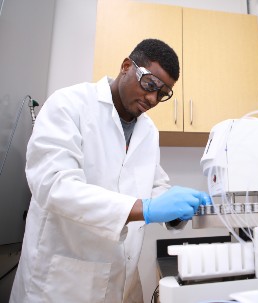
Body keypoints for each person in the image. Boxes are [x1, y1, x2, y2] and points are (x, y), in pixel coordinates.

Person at [10, 38, 211, 303]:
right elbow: (54, 186)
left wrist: (178, 209)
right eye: (150, 85)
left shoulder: (148, 131)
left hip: (123, 280)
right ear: (127, 66)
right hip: (63, 282)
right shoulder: (69, 104)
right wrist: (146, 209)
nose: (152, 99)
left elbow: (153, 185)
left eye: (162, 94)